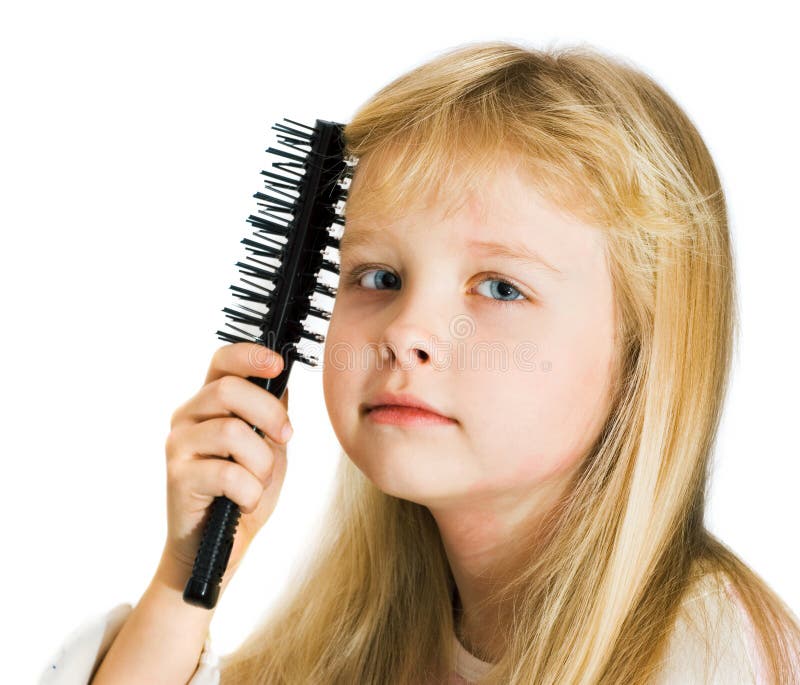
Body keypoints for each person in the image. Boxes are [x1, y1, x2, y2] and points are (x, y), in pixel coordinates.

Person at [40, 41, 800, 684]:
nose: (407, 332)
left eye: (501, 287)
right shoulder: (353, 640)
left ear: (642, 354)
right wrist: (183, 585)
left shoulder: (713, 656)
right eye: (379, 277)